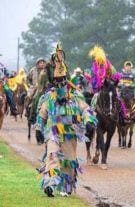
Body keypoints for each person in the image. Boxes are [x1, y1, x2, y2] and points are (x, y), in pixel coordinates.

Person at [36, 43, 97, 197]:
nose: (60, 84)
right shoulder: (49, 97)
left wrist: (89, 120)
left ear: (66, 79)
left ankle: (66, 188)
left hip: (70, 134)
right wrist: (38, 128)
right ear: (53, 82)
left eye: (62, 80)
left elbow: (85, 109)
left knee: (69, 161)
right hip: (53, 132)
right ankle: (49, 184)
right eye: (57, 81)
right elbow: (42, 112)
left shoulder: (76, 96)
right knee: (52, 156)